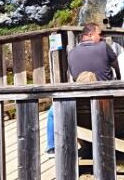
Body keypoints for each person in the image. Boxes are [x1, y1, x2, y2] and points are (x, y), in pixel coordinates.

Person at [47, 24, 119, 154]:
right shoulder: (104, 47)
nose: (102, 37)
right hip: (107, 106)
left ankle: (52, 148)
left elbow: (75, 78)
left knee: (52, 112)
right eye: (100, 34)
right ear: (90, 35)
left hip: (81, 109)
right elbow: (117, 67)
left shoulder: (72, 53)